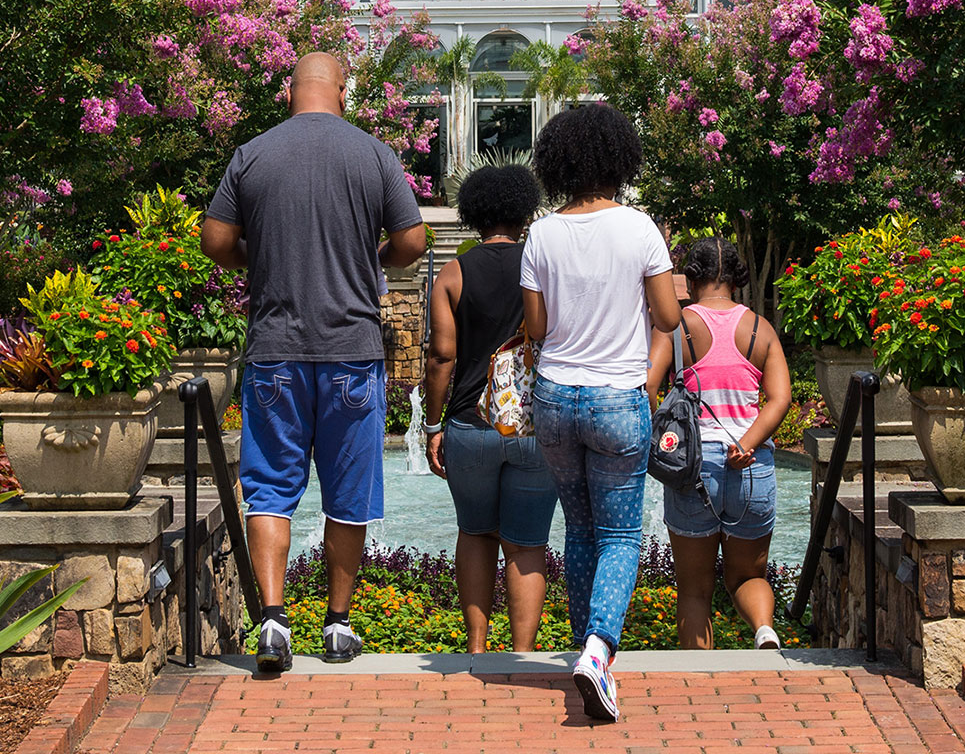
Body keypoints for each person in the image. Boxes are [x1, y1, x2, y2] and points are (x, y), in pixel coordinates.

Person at [201, 51, 429, 674]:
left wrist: (266, 257)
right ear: (343, 92)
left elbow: (216, 240)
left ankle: (272, 621)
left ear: (288, 91)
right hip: (351, 352)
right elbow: (413, 242)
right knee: (348, 494)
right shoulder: (374, 155)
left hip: (275, 350)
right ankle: (338, 624)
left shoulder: (252, 153)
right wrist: (366, 258)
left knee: (270, 490)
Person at [521, 104, 681, 723]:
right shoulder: (640, 229)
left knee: (580, 528)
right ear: (619, 160)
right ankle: (597, 650)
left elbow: (536, 328)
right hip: (618, 396)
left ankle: (591, 657)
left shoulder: (541, 233)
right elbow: (668, 319)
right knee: (619, 533)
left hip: (556, 397)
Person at [422, 164, 558, 654]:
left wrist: (432, 424)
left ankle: (477, 650)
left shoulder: (454, 272)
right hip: (534, 427)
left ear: (474, 215)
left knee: (475, 533)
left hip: (469, 424)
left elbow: (442, 356)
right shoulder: (542, 267)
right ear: (524, 213)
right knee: (526, 546)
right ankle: (522, 654)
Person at [647, 236, 792, 651]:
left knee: (694, 590)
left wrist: (663, 435)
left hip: (692, 468)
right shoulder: (760, 329)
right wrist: (745, 442)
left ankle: (700, 679)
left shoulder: (677, 326)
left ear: (691, 278)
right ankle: (764, 629)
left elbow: (648, 385)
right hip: (750, 465)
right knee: (748, 576)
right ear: (737, 279)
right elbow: (779, 399)